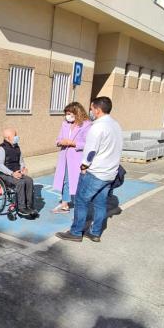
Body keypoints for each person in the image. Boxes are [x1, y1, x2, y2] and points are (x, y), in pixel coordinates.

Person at [55, 96, 122, 242]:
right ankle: (95, 232)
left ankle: (76, 232)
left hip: (96, 172)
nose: (90, 111)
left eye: (91, 109)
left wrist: (84, 167)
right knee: (99, 203)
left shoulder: (97, 127)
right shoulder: (115, 125)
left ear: (97, 110)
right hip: (110, 173)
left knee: (81, 201)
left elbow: (91, 151)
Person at [51, 102, 92, 213]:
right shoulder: (65, 123)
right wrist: (60, 142)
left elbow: (88, 143)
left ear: (77, 113)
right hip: (64, 156)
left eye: (69, 113)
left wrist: (73, 143)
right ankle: (64, 204)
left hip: (77, 158)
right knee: (65, 180)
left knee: (78, 182)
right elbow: (58, 139)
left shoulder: (86, 125)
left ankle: (82, 204)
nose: (67, 116)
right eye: (66, 114)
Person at [0, 128, 39, 218]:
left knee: (29, 180)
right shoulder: (1, 149)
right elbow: (0, 165)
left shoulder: (17, 147)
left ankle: (29, 206)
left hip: (17, 172)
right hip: (5, 174)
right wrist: (12, 173)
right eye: (15, 136)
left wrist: (23, 168)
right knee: (21, 182)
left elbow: (21, 160)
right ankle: (21, 208)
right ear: (8, 138)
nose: (17, 137)